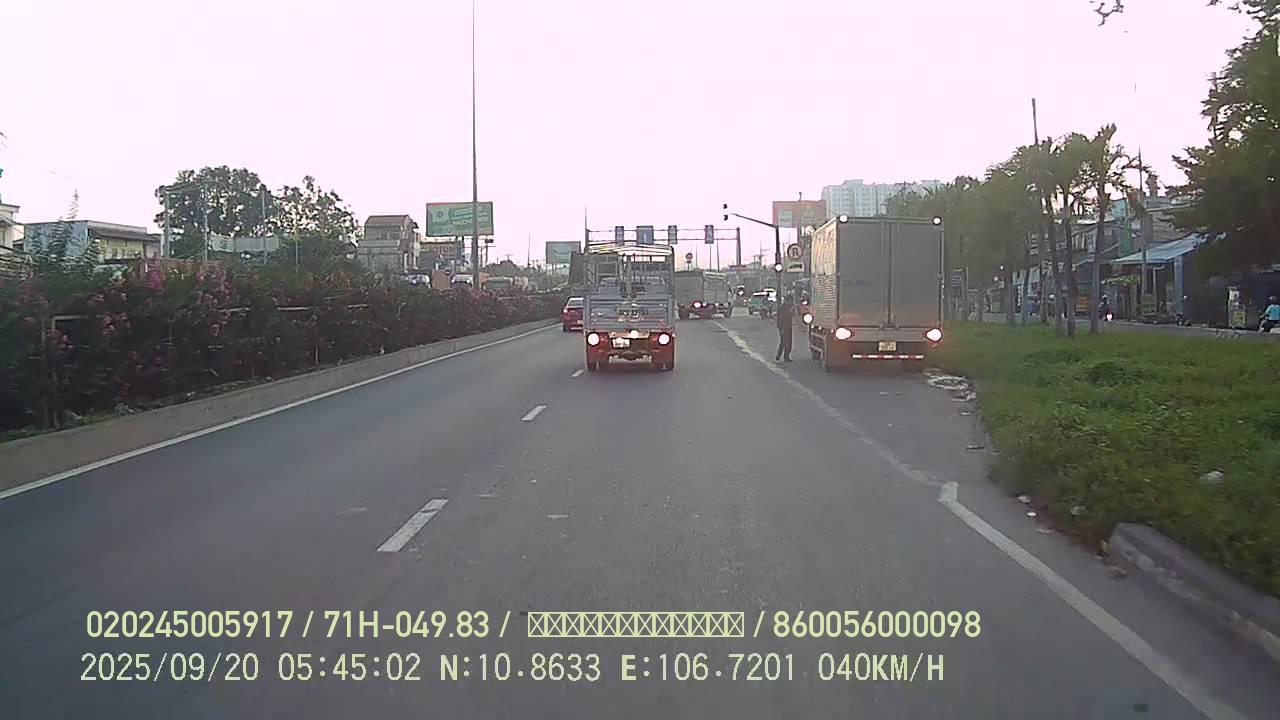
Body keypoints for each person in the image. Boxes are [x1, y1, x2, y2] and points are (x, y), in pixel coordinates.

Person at [775, 293, 795, 362]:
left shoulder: (790, 307)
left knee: (788, 342)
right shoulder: (782, 308)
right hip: (783, 327)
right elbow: (780, 319)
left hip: (788, 326)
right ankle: (780, 355)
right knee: (784, 342)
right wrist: (781, 328)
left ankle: (785, 356)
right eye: (790, 300)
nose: (791, 302)